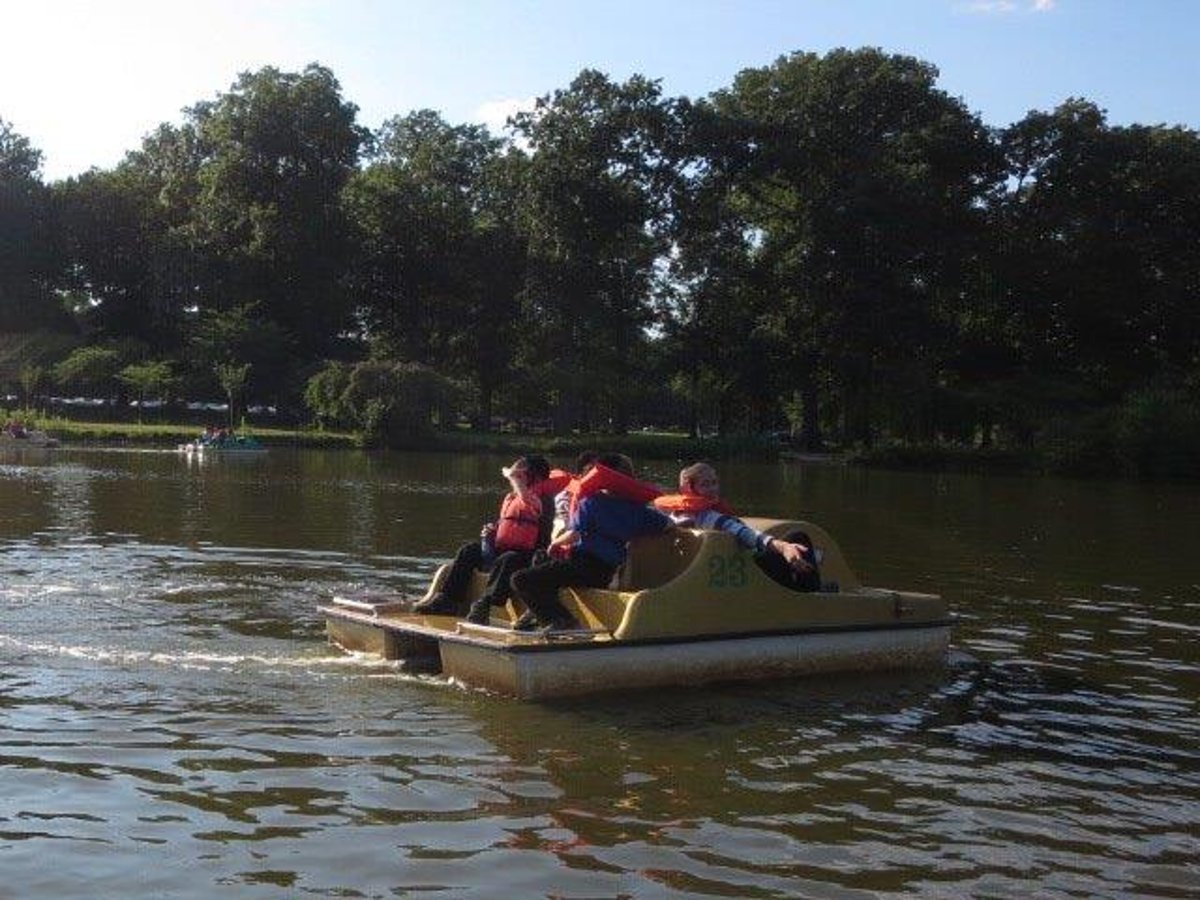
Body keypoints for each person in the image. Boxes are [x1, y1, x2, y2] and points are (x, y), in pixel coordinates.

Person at [509, 452, 674, 632]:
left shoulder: (591, 502)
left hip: (584, 568)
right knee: (542, 562)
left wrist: (555, 544)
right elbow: (669, 524)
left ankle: (563, 621)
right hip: (606, 572)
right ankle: (542, 615)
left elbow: (574, 534)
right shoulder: (641, 512)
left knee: (521, 579)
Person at [413, 454, 552, 618]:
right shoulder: (513, 498)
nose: (513, 481)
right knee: (469, 550)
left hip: (529, 556)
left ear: (531, 477)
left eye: (520, 476)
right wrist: (493, 532)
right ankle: (447, 600)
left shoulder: (542, 499)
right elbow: (513, 524)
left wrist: (515, 478)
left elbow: (529, 504)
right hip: (504, 551)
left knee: (508, 558)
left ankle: (486, 605)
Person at [653, 461, 822, 592]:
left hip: (699, 567)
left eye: (714, 482)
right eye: (705, 484)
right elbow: (745, 534)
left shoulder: (674, 516)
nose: (713, 489)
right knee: (798, 537)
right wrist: (783, 546)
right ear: (690, 489)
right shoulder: (711, 518)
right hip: (749, 568)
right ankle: (812, 595)